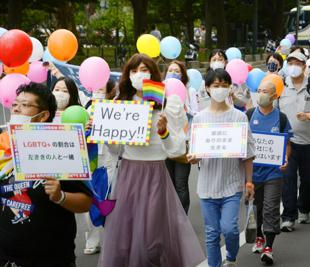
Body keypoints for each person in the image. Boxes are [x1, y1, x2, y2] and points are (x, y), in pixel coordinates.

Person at [98, 54, 204, 267]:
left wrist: (164, 132)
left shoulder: (167, 103)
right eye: (134, 71)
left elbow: (175, 149)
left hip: (156, 173)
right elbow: (116, 148)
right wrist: (108, 137)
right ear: (127, 75)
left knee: (153, 239)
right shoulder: (121, 104)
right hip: (128, 174)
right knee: (125, 238)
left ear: (153, 73)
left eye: (144, 70)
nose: (139, 75)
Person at [0, 83, 92, 267]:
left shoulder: (61, 145)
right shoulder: (3, 145)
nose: (16, 109)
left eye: (25, 105)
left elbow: (86, 202)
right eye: (16, 104)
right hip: (7, 256)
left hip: (51, 256)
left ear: (43, 116)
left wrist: (61, 196)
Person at [187, 69, 255, 267]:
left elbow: (248, 154)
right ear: (207, 88)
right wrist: (192, 158)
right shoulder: (199, 119)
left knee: (230, 228)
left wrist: (249, 182)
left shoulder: (239, 118)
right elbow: (194, 153)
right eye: (215, 86)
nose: (220, 89)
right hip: (207, 186)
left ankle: (232, 258)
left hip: (232, 185)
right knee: (211, 233)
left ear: (230, 88)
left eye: (224, 85)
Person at [278, 51, 310, 231]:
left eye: (297, 63)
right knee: (288, 179)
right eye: (290, 62)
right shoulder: (281, 85)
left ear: (304, 66)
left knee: (307, 180)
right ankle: (288, 216)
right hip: (288, 143)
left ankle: (304, 208)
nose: (293, 66)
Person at [247, 80, 292, 265]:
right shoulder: (249, 115)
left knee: (271, 207)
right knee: (256, 207)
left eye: (265, 91)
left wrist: (286, 159)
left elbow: (287, 143)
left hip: (273, 173)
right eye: (259, 91)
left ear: (274, 96)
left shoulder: (281, 118)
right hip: (253, 172)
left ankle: (269, 246)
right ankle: (258, 236)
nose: (261, 94)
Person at [82, 79, 117, 255]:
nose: (97, 91)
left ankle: (111, 240)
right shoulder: (86, 108)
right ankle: (92, 240)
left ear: (109, 90)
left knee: (109, 201)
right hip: (91, 161)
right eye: (95, 88)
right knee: (90, 201)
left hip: (110, 161)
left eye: (101, 88)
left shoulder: (117, 109)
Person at [163, 61, 195, 214]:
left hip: (184, 143)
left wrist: (184, 109)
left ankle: (182, 217)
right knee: (167, 183)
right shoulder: (161, 90)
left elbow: (195, 115)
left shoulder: (190, 91)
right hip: (165, 142)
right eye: (170, 70)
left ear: (182, 74)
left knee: (181, 183)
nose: (173, 73)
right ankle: (170, 216)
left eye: (176, 70)